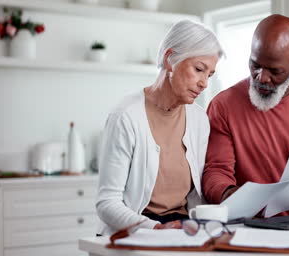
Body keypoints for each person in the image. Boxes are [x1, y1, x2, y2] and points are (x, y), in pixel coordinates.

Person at [202, 14, 289, 213]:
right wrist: (229, 196)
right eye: (255, 65)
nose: (262, 78)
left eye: (275, 71)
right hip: (249, 224)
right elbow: (216, 170)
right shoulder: (223, 105)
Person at [96, 20, 224, 236]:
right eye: (199, 69)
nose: (204, 83)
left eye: (209, 75)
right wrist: (155, 228)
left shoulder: (199, 119)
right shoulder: (126, 116)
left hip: (182, 231)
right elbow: (107, 203)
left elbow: (197, 195)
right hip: (134, 232)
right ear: (170, 59)